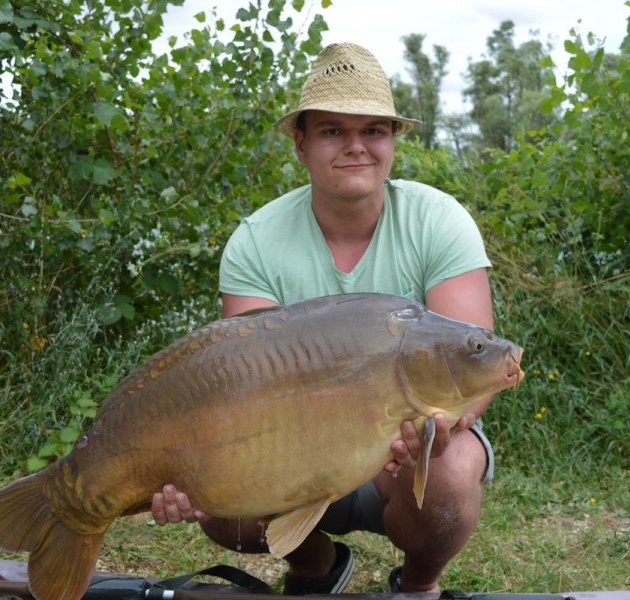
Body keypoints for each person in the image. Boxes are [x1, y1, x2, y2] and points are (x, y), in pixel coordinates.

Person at [151, 43, 497, 595]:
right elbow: (242, 386)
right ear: (301, 143)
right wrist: (197, 468)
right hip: (296, 448)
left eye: (374, 130)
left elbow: (474, 357)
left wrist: (443, 426)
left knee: (451, 472)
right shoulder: (256, 241)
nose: (356, 146)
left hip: (406, 445)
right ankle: (314, 565)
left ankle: (417, 583)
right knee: (219, 497)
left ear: (391, 141)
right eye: (333, 131)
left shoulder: (439, 220)